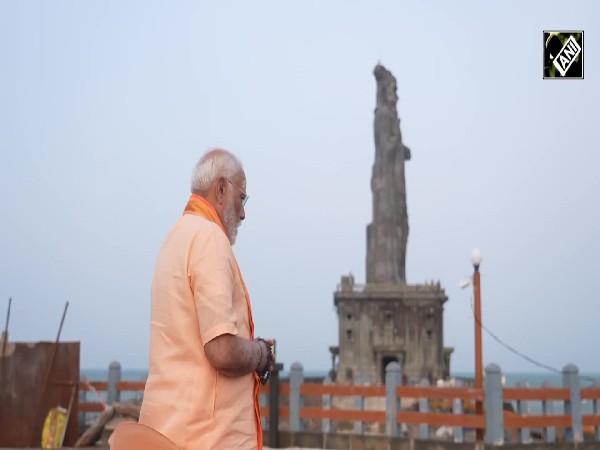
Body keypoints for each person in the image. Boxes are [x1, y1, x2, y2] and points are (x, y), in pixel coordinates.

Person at [121, 148, 274, 450]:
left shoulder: (174, 239)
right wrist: (262, 354)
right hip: (209, 437)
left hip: (168, 430)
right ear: (220, 188)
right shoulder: (209, 238)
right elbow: (222, 349)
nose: (243, 213)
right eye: (241, 198)